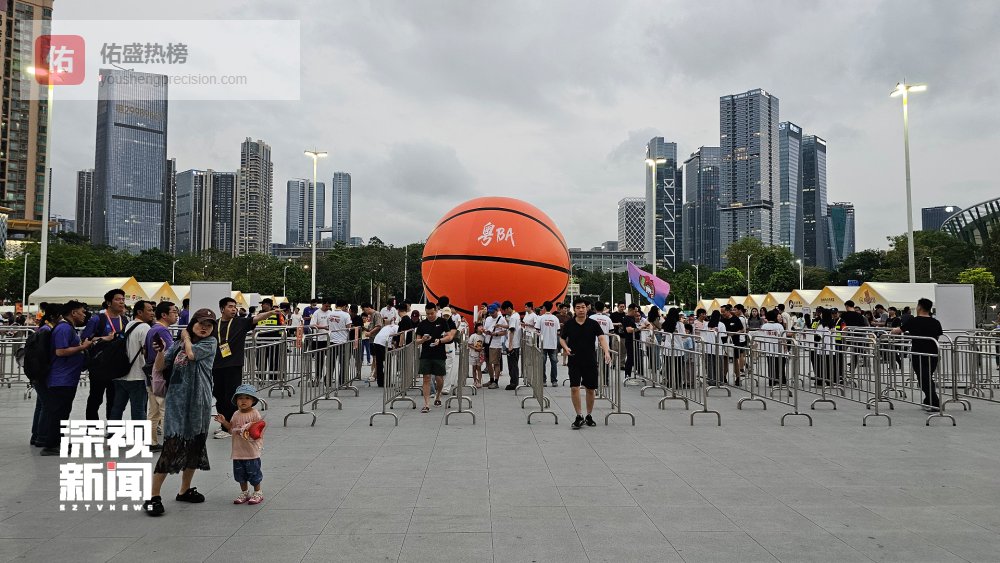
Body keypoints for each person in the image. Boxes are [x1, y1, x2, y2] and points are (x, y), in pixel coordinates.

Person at [144, 308, 219, 517]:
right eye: (200, 323)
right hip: (177, 402)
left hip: (199, 402)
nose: (204, 327)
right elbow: (160, 367)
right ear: (192, 323)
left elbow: (192, 355)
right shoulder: (177, 345)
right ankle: (154, 496)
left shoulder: (209, 343)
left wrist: (186, 337)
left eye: (209, 325)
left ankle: (184, 489)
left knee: (195, 444)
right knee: (172, 445)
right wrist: (160, 351)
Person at [213, 298, 276, 439]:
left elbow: (256, 318)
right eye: (230, 307)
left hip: (233, 365)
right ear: (222, 309)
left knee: (231, 396)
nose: (234, 309)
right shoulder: (214, 324)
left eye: (235, 307)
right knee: (219, 395)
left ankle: (230, 427)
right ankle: (225, 423)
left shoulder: (240, 322)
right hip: (216, 365)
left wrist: (270, 313)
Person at [40, 301, 96, 456]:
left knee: (63, 412)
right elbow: (60, 351)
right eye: (82, 312)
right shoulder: (64, 328)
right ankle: (51, 445)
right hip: (61, 378)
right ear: (73, 312)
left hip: (67, 378)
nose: (84, 315)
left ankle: (58, 440)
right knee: (58, 412)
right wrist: (82, 347)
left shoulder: (68, 327)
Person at [560, 298, 611, 429]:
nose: (581, 310)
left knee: (590, 389)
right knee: (574, 387)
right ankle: (579, 415)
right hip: (574, 359)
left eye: (583, 307)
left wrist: (606, 352)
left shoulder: (593, 324)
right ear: (574, 309)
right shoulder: (569, 324)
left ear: (587, 308)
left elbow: (601, 338)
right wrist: (565, 348)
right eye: (578, 307)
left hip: (590, 360)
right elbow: (562, 339)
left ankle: (589, 415)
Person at [213, 384, 265, 505]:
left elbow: (258, 430)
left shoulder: (255, 414)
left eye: (247, 398)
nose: (243, 401)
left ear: (253, 401)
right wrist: (223, 422)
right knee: (240, 474)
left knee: (254, 473)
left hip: (251, 452)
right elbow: (231, 429)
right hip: (238, 451)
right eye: (240, 398)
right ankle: (244, 492)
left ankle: (258, 492)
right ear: (236, 400)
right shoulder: (236, 414)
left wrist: (248, 429)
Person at [81, 289, 127, 420]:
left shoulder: (124, 320)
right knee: (96, 398)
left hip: (117, 366)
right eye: (118, 299)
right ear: (108, 302)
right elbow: (85, 340)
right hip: (99, 366)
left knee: (114, 400)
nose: (122, 302)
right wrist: (103, 338)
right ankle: (92, 426)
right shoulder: (98, 319)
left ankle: (113, 430)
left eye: (123, 299)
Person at [892, 297, 943, 411]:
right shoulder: (935, 322)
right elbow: (938, 336)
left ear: (919, 307)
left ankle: (934, 403)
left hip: (918, 352)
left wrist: (892, 330)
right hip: (933, 353)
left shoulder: (914, 321)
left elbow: (899, 330)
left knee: (923, 378)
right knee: (927, 377)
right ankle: (928, 400)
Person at [109, 300, 155, 423]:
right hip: (137, 375)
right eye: (149, 310)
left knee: (117, 407)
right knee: (138, 409)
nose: (152, 313)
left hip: (121, 374)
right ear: (140, 312)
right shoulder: (145, 327)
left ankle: (113, 432)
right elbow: (147, 351)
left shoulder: (128, 325)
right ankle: (139, 437)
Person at [146, 301, 177, 452]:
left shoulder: (152, 329)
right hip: (162, 376)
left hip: (151, 375)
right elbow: (170, 354)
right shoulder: (163, 331)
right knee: (165, 410)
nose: (176, 315)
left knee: (153, 412)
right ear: (164, 315)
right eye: (174, 312)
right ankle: (169, 443)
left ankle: (151, 441)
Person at [29, 303, 61, 449]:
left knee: (41, 405)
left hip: (38, 373)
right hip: (42, 373)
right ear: (54, 316)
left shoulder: (45, 328)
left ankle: (36, 435)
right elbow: (43, 355)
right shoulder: (47, 331)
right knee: (48, 405)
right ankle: (42, 437)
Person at [416, 303, 455, 412]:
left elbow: (449, 336)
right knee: (426, 378)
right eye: (428, 314)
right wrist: (423, 340)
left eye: (432, 313)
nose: (430, 316)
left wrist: (440, 341)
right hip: (426, 355)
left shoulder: (442, 322)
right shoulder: (422, 324)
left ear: (436, 311)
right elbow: (416, 341)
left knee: (439, 378)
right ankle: (426, 404)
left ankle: (438, 395)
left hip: (439, 354)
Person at [759, 309, 788, 385]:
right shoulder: (779, 326)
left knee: (771, 366)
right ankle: (782, 380)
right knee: (780, 366)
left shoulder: (764, 326)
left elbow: (761, 337)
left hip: (769, 349)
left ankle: (771, 381)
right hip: (779, 349)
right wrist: (785, 347)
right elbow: (783, 338)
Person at [700, 310, 728, 385]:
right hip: (718, 348)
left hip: (708, 347)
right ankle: (720, 381)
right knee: (719, 365)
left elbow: (703, 335)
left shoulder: (707, 324)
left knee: (710, 366)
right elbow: (724, 336)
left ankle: (711, 380)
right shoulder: (721, 324)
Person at [537, 301, 561, 386]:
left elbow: (537, 329)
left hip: (543, 343)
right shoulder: (555, 318)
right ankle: (554, 381)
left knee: (542, 362)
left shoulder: (540, 318)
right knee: (554, 363)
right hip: (553, 343)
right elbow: (558, 331)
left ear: (544, 307)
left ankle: (543, 380)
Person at [483, 303, 507, 389]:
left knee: (496, 363)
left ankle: (496, 381)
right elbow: (485, 328)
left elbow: (505, 332)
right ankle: (491, 379)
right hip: (487, 342)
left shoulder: (501, 319)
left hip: (496, 344)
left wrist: (496, 334)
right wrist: (485, 331)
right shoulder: (488, 318)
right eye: (490, 313)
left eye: (493, 312)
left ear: (497, 311)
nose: (491, 314)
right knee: (488, 362)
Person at [371, 322, 399, 388]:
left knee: (379, 363)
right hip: (384, 343)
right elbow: (396, 340)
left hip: (376, 341)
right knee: (388, 363)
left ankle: (380, 382)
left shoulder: (388, 326)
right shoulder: (398, 328)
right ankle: (387, 382)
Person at [502, 301, 522, 390]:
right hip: (515, 344)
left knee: (512, 365)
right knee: (514, 364)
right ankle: (515, 381)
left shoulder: (513, 317)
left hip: (513, 344)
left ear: (508, 308)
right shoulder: (516, 315)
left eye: (505, 310)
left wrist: (510, 345)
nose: (505, 312)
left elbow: (512, 331)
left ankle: (513, 383)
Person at [467, 323, 486, 388]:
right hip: (473, 354)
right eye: (479, 327)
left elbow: (484, 345)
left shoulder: (483, 336)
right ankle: (475, 380)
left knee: (479, 368)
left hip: (479, 355)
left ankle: (479, 381)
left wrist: (481, 349)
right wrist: (476, 348)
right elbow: (469, 344)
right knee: (474, 368)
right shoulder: (473, 336)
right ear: (476, 328)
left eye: (482, 326)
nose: (481, 328)